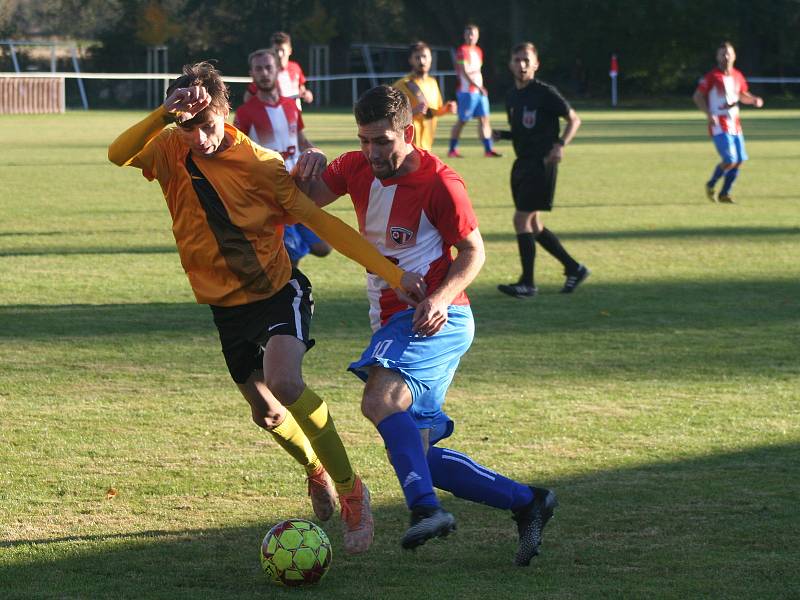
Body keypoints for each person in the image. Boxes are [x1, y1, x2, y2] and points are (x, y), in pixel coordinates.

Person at [107, 62, 426, 555]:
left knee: (285, 382)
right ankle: (314, 469)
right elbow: (117, 154)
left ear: (223, 111)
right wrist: (165, 114)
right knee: (268, 414)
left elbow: (325, 225)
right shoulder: (171, 145)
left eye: (206, 125)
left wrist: (394, 274)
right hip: (224, 307)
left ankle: (351, 492)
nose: (199, 139)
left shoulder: (261, 165)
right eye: (187, 128)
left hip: (278, 291)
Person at [294, 85, 557, 566]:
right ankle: (528, 502)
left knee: (378, 399)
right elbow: (303, 199)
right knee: (419, 455)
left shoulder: (440, 181)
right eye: (363, 140)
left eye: (382, 142)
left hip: (437, 316)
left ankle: (425, 510)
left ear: (408, 132)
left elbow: (474, 251)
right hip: (395, 318)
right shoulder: (355, 166)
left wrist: (438, 296)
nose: (371, 153)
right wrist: (304, 161)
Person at [493, 42, 589, 298]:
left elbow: (574, 119)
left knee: (521, 219)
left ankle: (527, 283)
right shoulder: (512, 96)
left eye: (527, 60)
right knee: (533, 224)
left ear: (536, 64)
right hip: (522, 162)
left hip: (542, 163)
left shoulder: (545, 93)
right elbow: (523, 133)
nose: (522, 65)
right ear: (510, 64)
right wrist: (500, 134)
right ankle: (574, 268)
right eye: (517, 60)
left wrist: (560, 145)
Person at [235, 48, 332, 265]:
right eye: (258, 69)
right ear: (252, 73)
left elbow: (301, 141)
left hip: (301, 190)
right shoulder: (245, 113)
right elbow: (234, 153)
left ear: (278, 70)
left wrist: (321, 156)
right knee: (290, 258)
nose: (264, 73)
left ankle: (285, 247)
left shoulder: (290, 106)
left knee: (323, 247)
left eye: (268, 67)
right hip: (272, 196)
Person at [692, 41, 764, 204]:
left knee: (739, 160)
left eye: (728, 53)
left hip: (735, 125)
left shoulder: (738, 76)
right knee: (730, 159)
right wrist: (709, 114)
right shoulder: (712, 76)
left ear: (734, 56)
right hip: (719, 125)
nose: (726, 56)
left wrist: (753, 100)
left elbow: (742, 95)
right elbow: (697, 96)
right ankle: (711, 184)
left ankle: (724, 194)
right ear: (717, 57)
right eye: (722, 53)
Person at [447, 24, 501, 158]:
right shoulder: (462, 51)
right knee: (462, 121)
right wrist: (478, 86)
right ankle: (452, 150)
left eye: (474, 34)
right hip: (467, 92)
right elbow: (464, 71)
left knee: (484, 119)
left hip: (479, 92)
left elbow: (477, 71)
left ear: (477, 36)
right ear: (464, 36)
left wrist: (479, 87)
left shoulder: (478, 51)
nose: (471, 37)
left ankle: (488, 150)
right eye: (468, 34)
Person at [393, 41, 456, 152]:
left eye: (424, 56)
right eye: (417, 58)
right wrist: (412, 112)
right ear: (410, 60)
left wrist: (447, 109)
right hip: (407, 148)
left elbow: (433, 112)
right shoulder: (402, 85)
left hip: (427, 147)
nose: (422, 61)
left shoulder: (432, 83)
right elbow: (391, 117)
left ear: (431, 58)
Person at [243, 31, 313, 108]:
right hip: (275, 114)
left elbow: (301, 89)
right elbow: (248, 96)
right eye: (276, 50)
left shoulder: (295, 67)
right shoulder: (267, 73)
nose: (280, 54)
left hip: (295, 113)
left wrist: (307, 94)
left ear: (290, 51)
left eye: (282, 50)